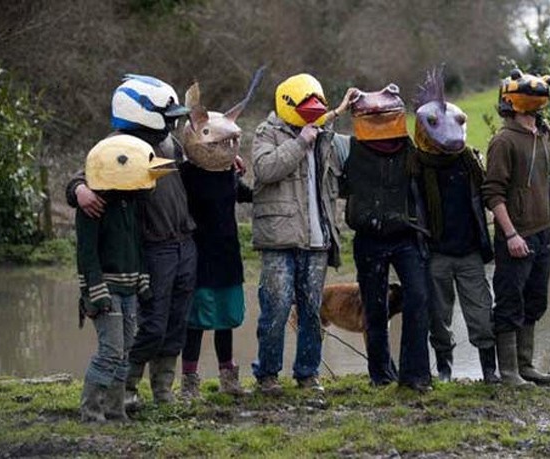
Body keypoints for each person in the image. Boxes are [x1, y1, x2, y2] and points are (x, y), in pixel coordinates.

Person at [66, 74, 196, 406]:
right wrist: (78, 189)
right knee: (150, 324)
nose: (171, 123)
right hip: (152, 247)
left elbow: (190, 167)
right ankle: (126, 388)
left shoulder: (169, 143)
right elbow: (87, 174)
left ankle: (163, 389)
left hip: (183, 242)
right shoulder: (117, 145)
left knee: (176, 322)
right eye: (166, 117)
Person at [250, 73, 352, 394]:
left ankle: (307, 375)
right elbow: (265, 169)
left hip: (317, 240)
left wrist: (346, 110)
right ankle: (267, 376)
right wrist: (300, 143)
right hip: (279, 240)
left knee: (312, 311)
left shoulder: (324, 135)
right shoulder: (266, 134)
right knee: (276, 311)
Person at [76, 135, 174, 422]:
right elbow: (86, 254)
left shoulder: (132, 202)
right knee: (110, 351)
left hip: (130, 287)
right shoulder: (93, 206)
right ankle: (91, 411)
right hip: (105, 288)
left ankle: (115, 411)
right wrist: (95, 292)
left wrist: (142, 280)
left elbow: (136, 245)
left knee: (125, 352)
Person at [342, 83, 432, 392]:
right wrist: (341, 108)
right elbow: (319, 139)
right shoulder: (348, 148)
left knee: (418, 298)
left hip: (407, 235)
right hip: (368, 237)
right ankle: (380, 374)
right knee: (374, 306)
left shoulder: (411, 150)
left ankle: (415, 376)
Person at [176, 74, 262, 398]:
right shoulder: (184, 175)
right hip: (197, 257)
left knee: (226, 319)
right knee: (196, 322)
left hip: (227, 256)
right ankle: (189, 382)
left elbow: (244, 194)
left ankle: (229, 378)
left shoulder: (228, 173)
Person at [410, 67, 498, 383]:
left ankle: (490, 369)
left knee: (482, 314)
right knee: (439, 317)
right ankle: (444, 368)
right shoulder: (416, 166)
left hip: (470, 252)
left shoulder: (470, 161)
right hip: (436, 253)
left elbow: (491, 192)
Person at [482, 69, 550, 385]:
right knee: (510, 301)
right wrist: (510, 233)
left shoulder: (544, 135)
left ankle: (525, 365)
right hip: (516, 235)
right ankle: (509, 371)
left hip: (542, 231)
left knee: (535, 300)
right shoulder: (504, 141)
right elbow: (493, 192)